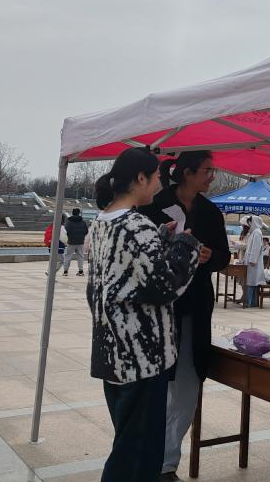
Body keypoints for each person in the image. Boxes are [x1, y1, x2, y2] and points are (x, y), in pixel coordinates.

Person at [86, 147, 199, 482]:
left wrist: (160, 238)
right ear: (140, 178)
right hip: (142, 357)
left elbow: (122, 275)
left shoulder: (102, 221)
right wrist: (185, 247)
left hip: (111, 351)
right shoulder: (135, 225)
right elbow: (166, 285)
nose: (160, 184)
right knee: (137, 458)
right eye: (156, 177)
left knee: (127, 440)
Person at [137, 150, 230, 481]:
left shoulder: (211, 212)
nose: (212, 176)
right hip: (160, 311)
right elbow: (141, 255)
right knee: (155, 388)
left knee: (188, 388)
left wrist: (209, 256)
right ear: (187, 173)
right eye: (207, 170)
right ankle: (146, 456)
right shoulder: (154, 205)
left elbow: (224, 256)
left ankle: (166, 463)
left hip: (195, 310)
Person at [242, 215, 266, 308]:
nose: (248, 224)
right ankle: (251, 301)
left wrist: (252, 260)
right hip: (251, 262)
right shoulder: (254, 233)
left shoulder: (257, 233)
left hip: (253, 263)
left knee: (252, 282)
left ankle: (250, 302)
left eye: (250, 222)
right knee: (251, 282)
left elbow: (256, 248)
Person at [63, 207, 89, 276]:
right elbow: (86, 231)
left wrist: (70, 236)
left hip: (71, 241)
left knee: (68, 256)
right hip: (80, 242)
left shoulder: (69, 222)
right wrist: (81, 236)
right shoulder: (83, 222)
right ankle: (81, 271)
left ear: (72, 213)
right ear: (79, 213)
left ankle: (65, 271)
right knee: (80, 256)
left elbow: (66, 231)